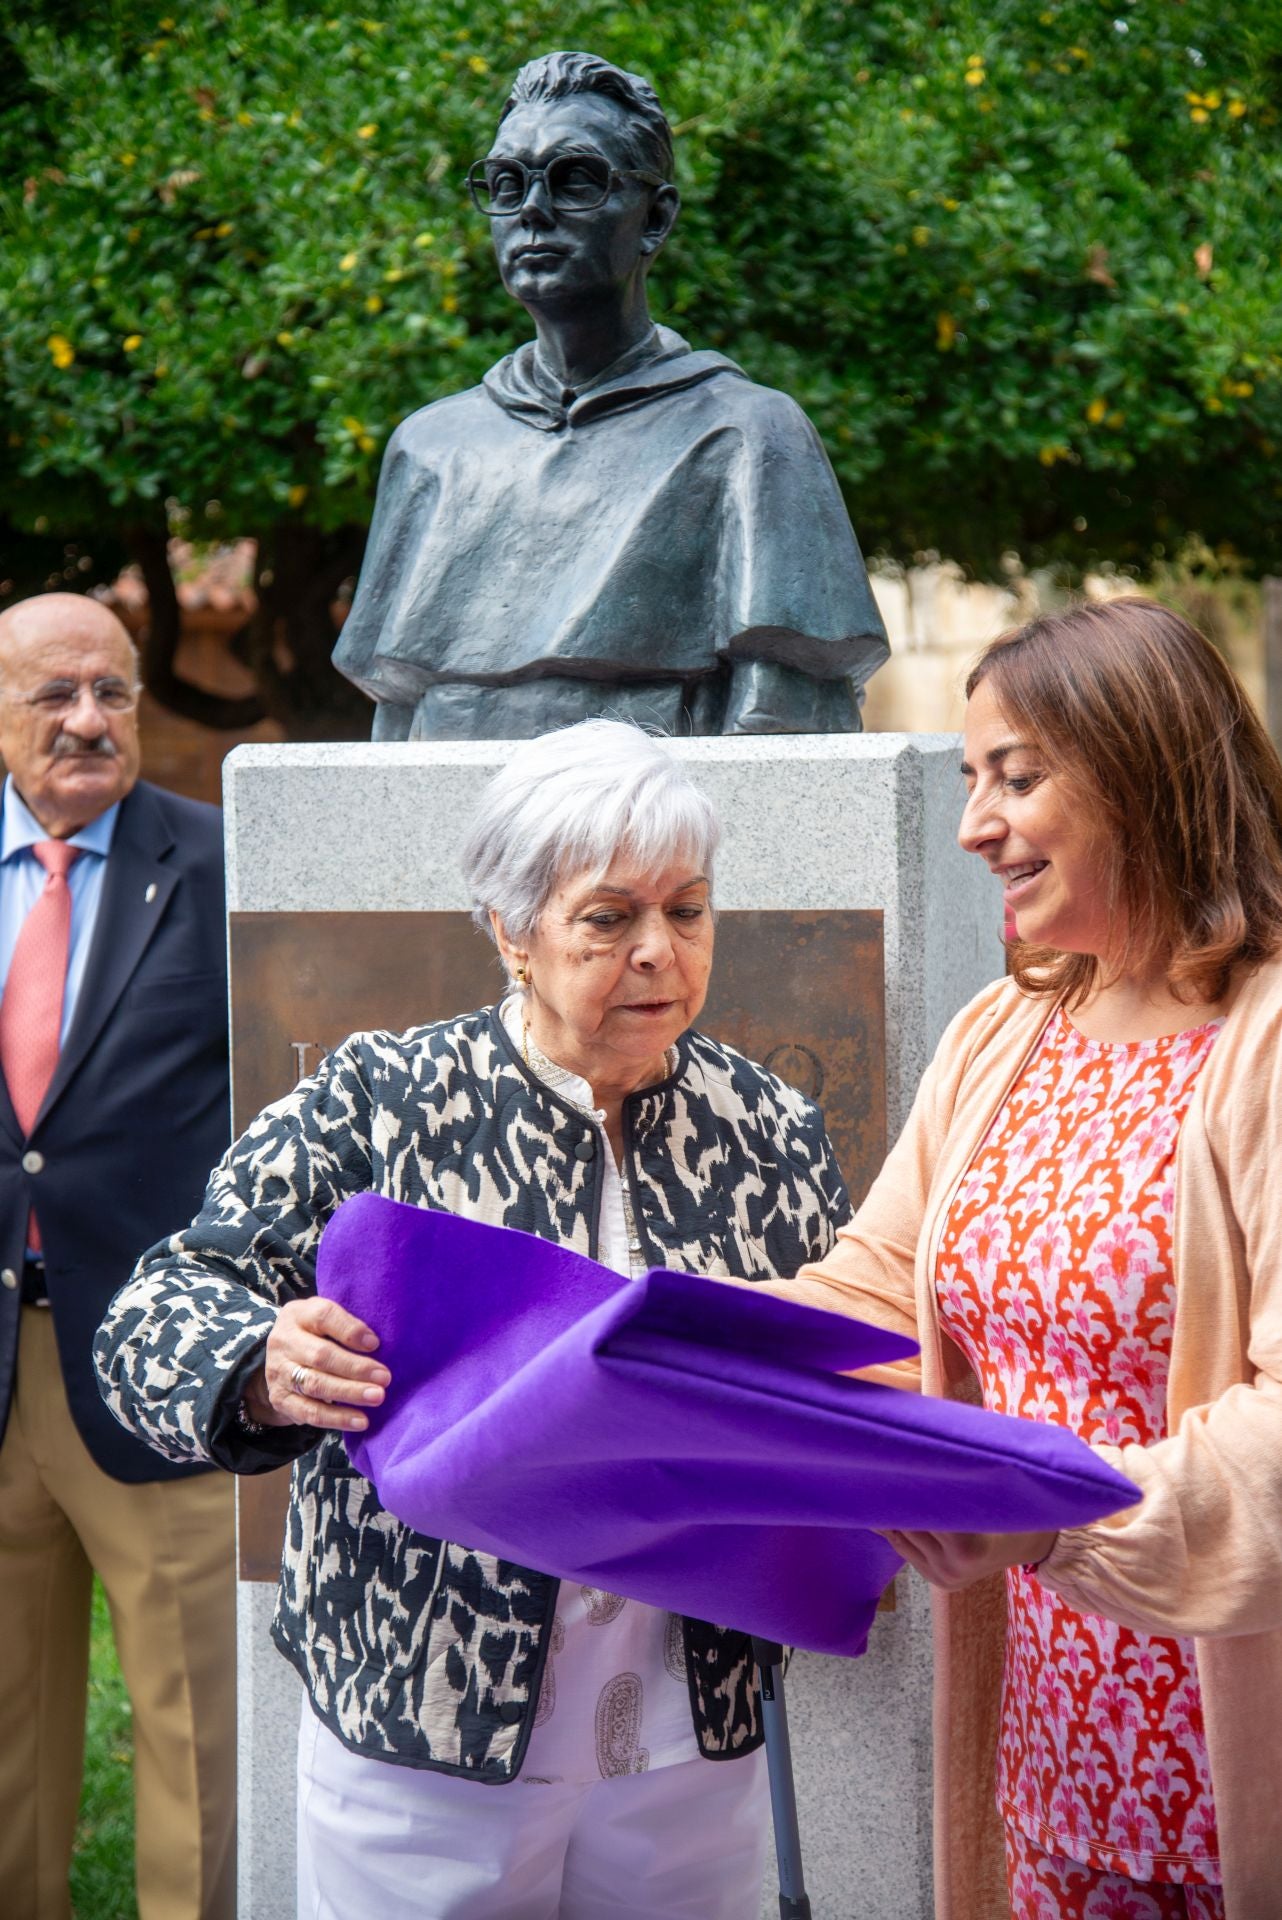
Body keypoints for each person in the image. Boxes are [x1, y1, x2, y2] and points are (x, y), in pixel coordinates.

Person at [95, 719, 852, 1920]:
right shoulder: (382, 1100)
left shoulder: (765, 1126)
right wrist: (258, 1361)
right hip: (427, 1716)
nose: (658, 951)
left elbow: (839, 1355)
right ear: (511, 932)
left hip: (686, 1719)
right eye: (608, 918)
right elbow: (157, 1308)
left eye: (688, 910)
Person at [771, 598, 1282, 1920]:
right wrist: (639, 1338)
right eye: (967, 781)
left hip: (1228, 1785)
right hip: (1050, 1770)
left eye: (1014, 777)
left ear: (1137, 773)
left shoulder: (1266, 1038)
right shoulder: (1002, 1030)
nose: (971, 827)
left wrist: (1054, 1517)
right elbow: (868, 1299)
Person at [333, 50, 888, 741]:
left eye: (576, 180)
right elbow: (396, 728)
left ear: (654, 218)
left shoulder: (751, 436)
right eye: (507, 183)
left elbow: (785, 730)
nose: (533, 210)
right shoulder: (430, 448)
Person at [0, 593, 235, 1919]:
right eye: (53, 693)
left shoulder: (220, 864)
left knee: (192, 1730)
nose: (87, 721)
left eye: (112, 692)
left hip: (157, 1366)